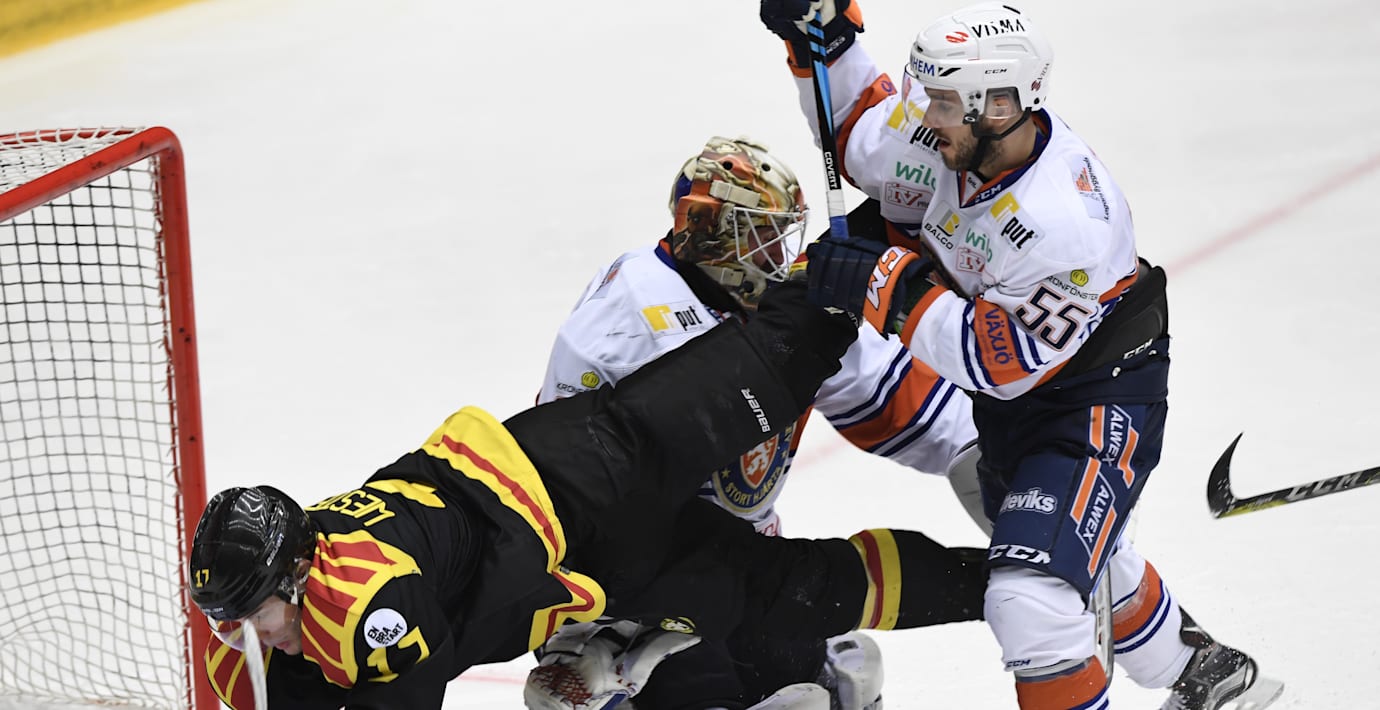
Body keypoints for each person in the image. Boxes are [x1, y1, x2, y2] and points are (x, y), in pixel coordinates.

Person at [755, 1, 1283, 708]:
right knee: (1067, 548)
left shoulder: (1063, 220)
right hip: (1021, 401)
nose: (925, 114)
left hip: (1094, 399)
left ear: (999, 106)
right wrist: (825, 39)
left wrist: (888, 285)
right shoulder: (952, 135)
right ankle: (1211, 677)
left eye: (944, 102)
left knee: (1030, 597)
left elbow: (996, 362)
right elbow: (857, 132)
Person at [188, 277, 989, 710]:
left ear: (300, 572)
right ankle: (1007, 581)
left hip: (579, 470)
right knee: (787, 591)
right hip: (596, 561)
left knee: (767, 366)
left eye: (258, 613)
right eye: (231, 620)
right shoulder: (252, 641)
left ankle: (871, 248)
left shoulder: (364, 604)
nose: (249, 634)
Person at [522, 136, 986, 709]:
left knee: (816, 685)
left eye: (779, 238)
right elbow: (565, 493)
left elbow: (906, 407)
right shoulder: (625, 325)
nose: (776, 258)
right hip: (632, 580)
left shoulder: (771, 310)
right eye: (760, 238)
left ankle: (811, 658)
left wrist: (1010, 487)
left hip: (744, 572)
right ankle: (594, 646)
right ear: (707, 231)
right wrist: (591, 622)